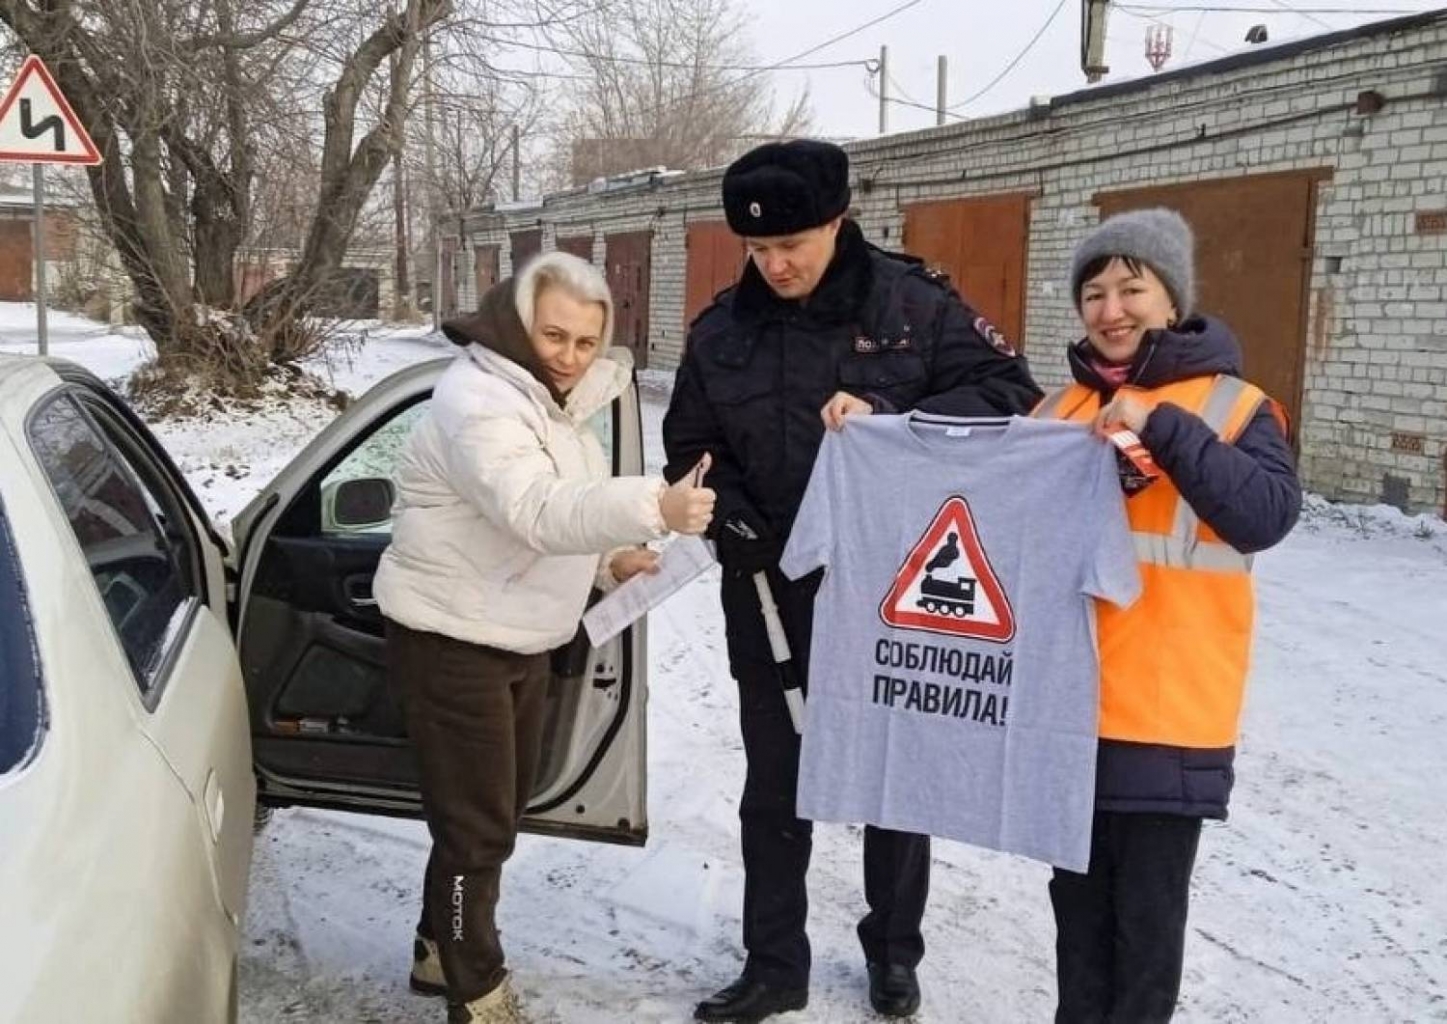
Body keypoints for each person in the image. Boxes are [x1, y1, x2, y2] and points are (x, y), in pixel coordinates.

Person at [662, 139, 1042, 1022]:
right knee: (776, 779)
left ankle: (892, 954)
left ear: (836, 220)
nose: (776, 263)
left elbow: (1009, 395)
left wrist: (895, 418)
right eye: (757, 250)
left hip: (889, 590)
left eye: (792, 242)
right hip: (766, 586)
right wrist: (728, 514)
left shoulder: (911, 306)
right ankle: (773, 964)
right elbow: (691, 446)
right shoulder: (722, 330)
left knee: (890, 777)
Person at [373, 251, 715, 1024]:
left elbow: (554, 510)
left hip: (517, 637)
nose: (567, 355)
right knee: (476, 829)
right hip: (453, 641)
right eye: (553, 334)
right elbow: (532, 508)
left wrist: (606, 561)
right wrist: (655, 509)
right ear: (518, 324)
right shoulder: (478, 399)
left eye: (584, 343)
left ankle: (438, 946)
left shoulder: (546, 406)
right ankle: (474, 988)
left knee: (487, 815)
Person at [1034, 208, 1302, 1022]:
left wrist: (1160, 423)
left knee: (1145, 932)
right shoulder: (1055, 411)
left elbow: (1262, 515)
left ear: (1171, 299)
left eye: (1130, 288)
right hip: (1066, 714)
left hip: (1167, 712)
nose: (1110, 310)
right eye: (1093, 293)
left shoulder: (1231, 405)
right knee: (1077, 923)